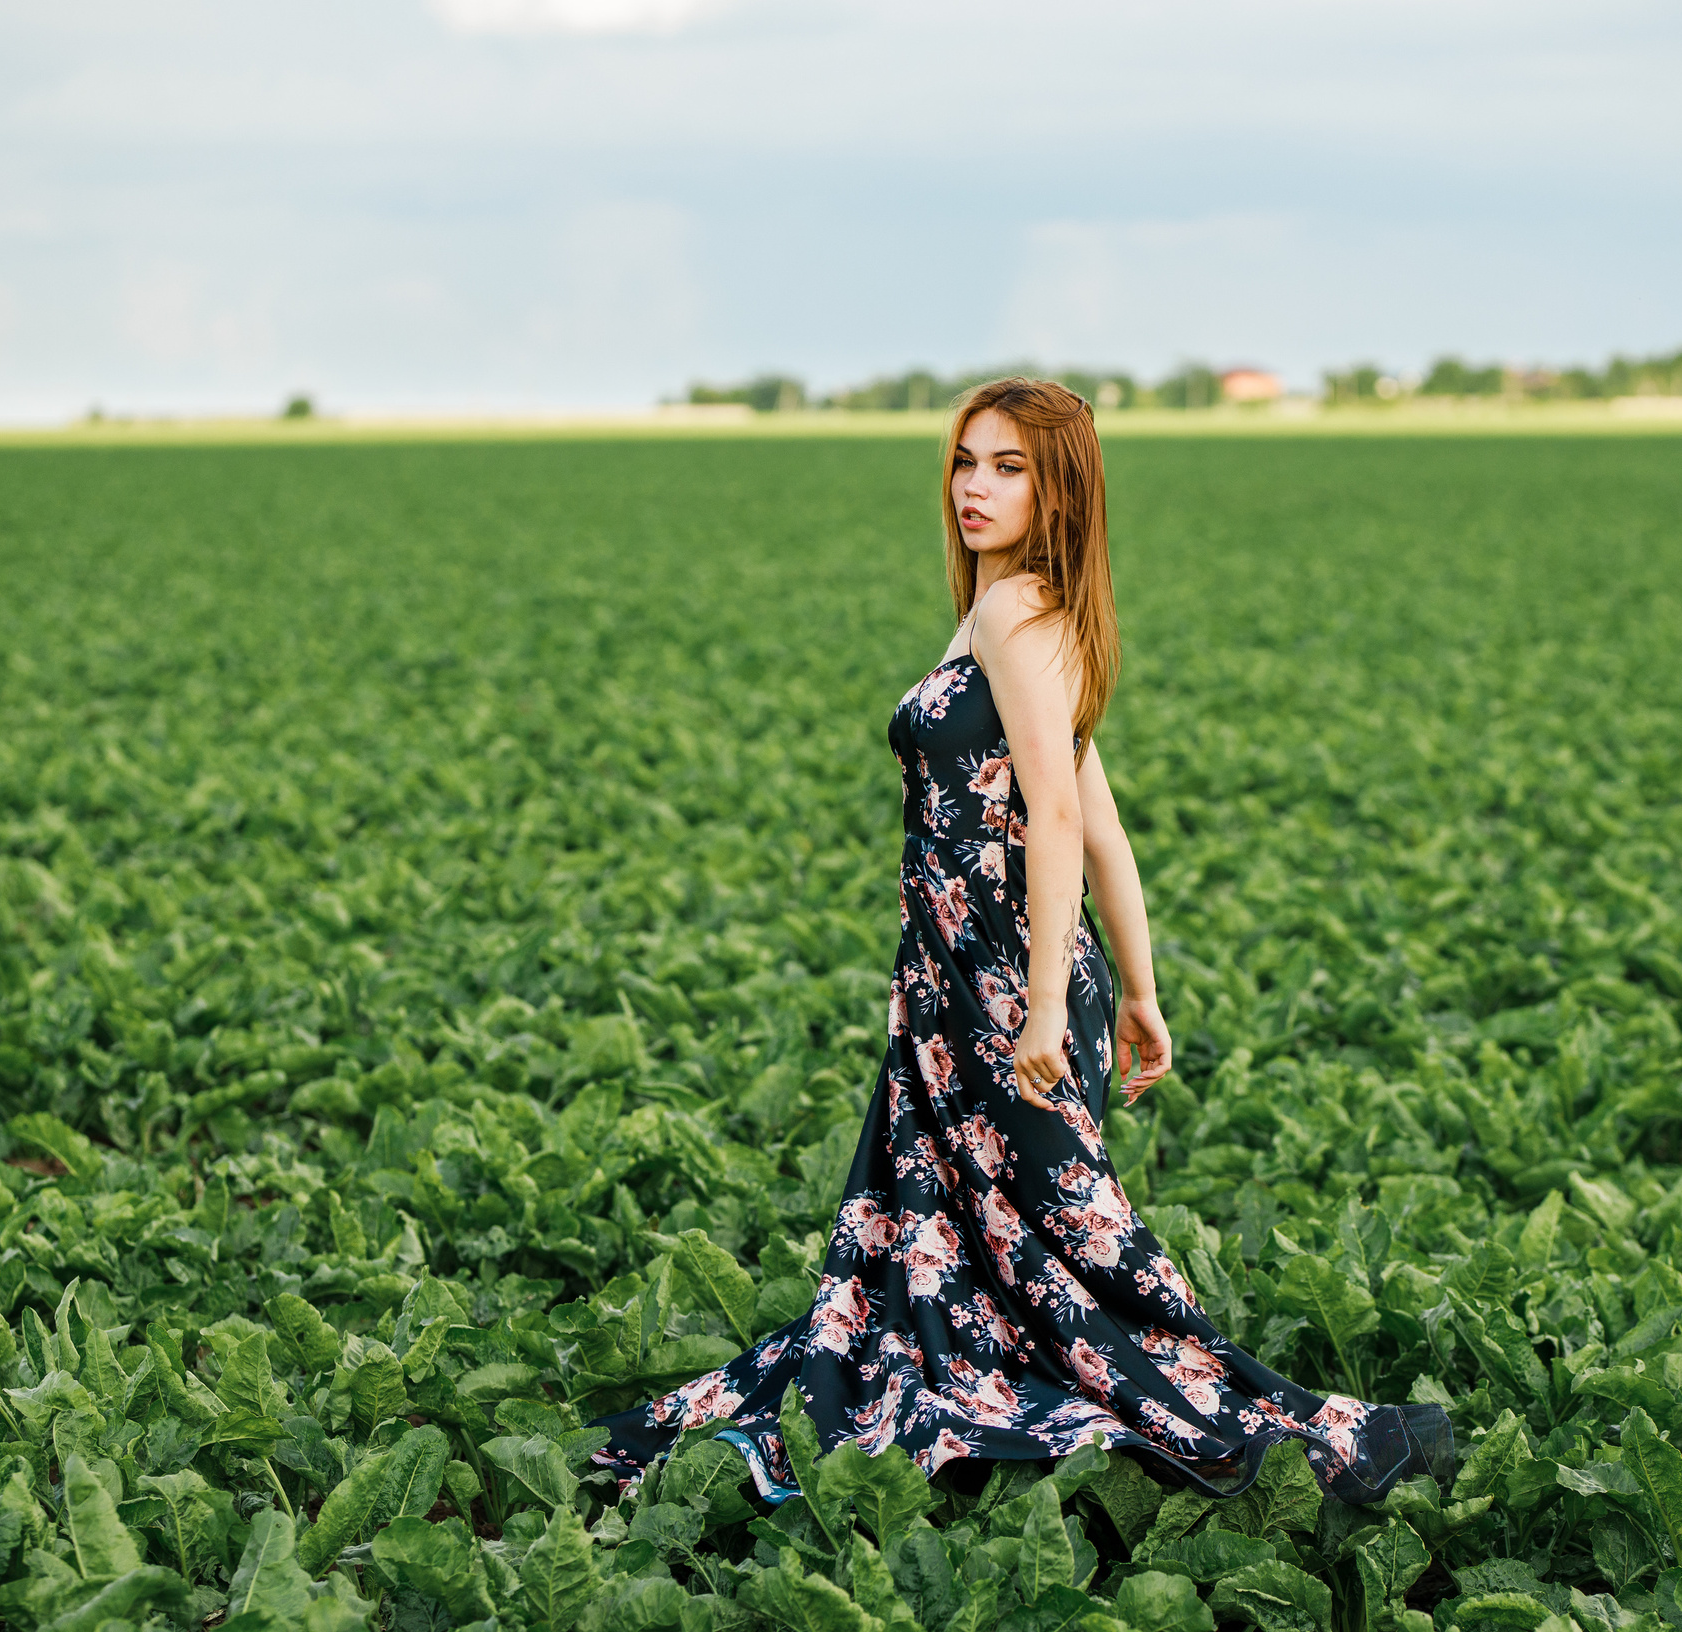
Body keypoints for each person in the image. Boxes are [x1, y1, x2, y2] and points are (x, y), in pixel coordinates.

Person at [591, 377, 1453, 1504]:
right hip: (962, 979)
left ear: (1061, 491)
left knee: (1069, 1253)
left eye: (1009, 467)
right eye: (965, 461)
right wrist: (1139, 992)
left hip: (1003, 982)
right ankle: (1020, 1418)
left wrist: (1047, 1006)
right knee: (996, 1247)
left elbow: (1054, 814)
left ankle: (1246, 1442)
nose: (975, 486)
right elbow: (1104, 821)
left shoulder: (1019, 614)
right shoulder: (1012, 615)